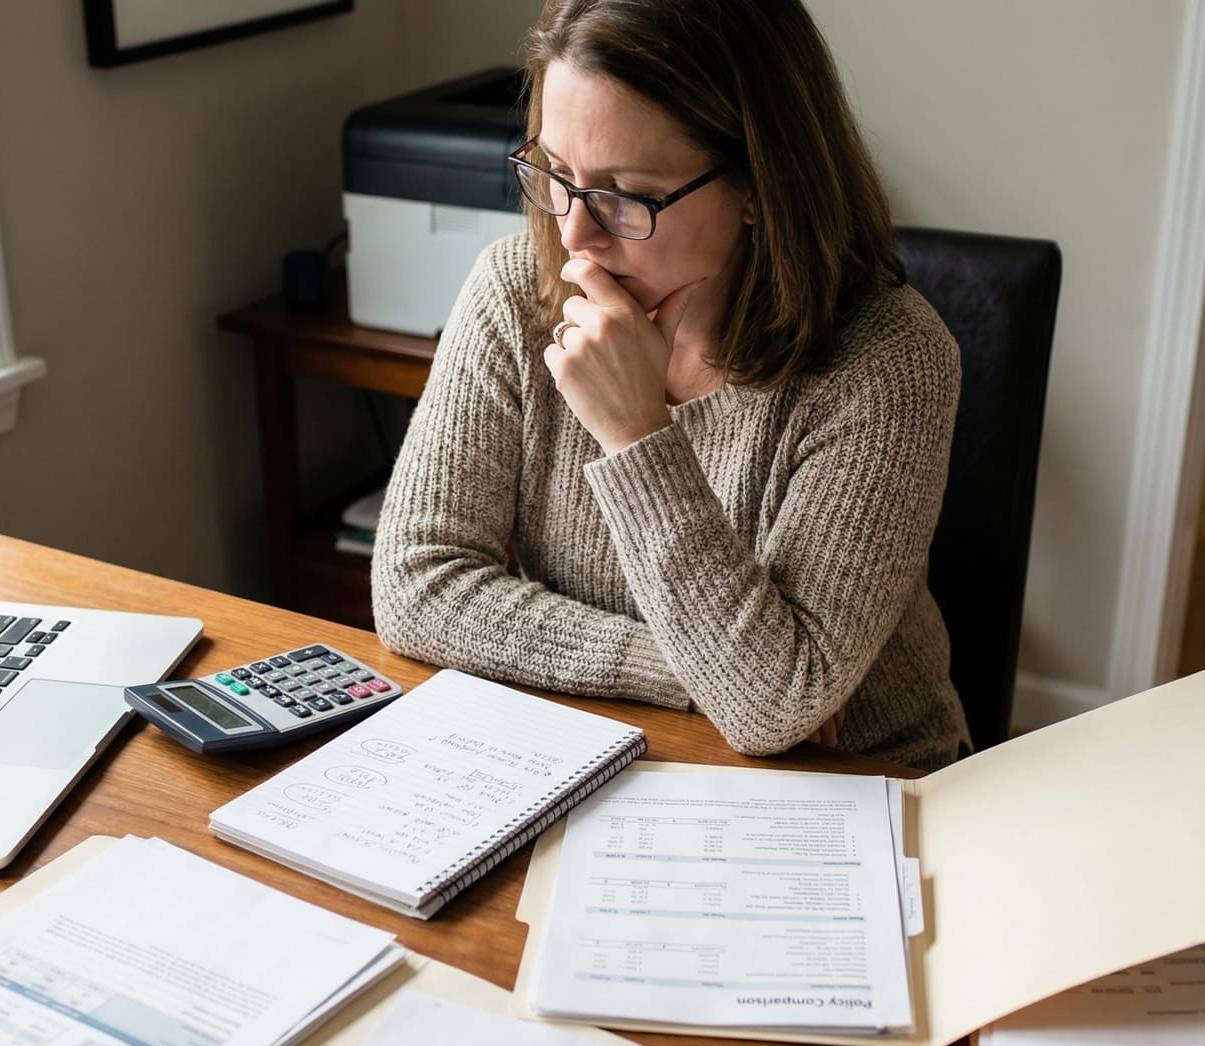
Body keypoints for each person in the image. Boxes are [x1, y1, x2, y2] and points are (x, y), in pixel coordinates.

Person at [370, 0, 971, 771]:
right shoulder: (513, 293)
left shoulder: (888, 361)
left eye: (626, 194)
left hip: (860, 783)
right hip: (607, 746)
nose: (573, 235)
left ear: (760, 184)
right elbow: (415, 584)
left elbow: (774, 710)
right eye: (556, 174)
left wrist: (636, 432)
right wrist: (672, 666)